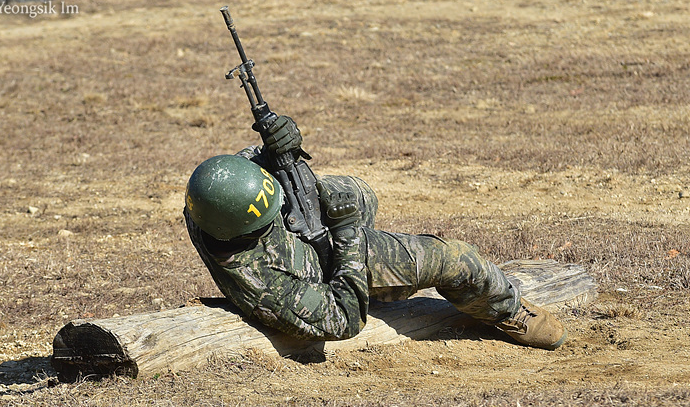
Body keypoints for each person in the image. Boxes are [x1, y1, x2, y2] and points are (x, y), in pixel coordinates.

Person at [183, 116, 567, 349]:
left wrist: (282, 145)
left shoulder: (209, 201)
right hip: (325, 270)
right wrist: (347, 233)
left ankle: (377, 251)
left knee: (359, 192)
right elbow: (343, 319)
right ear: (246, 231)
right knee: (456, 258)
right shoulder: (266, 286)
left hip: (296, 237)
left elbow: (246, 164)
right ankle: (508, 312)